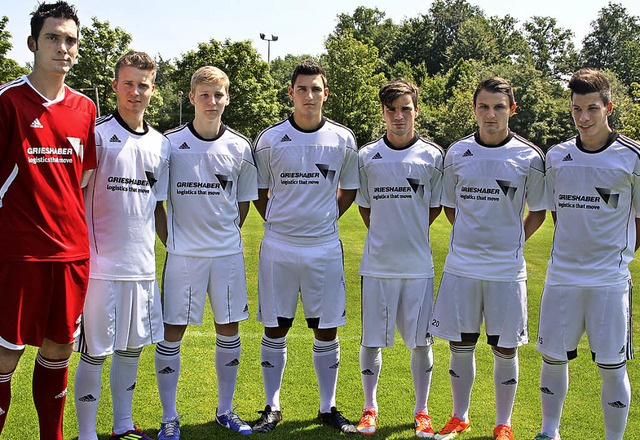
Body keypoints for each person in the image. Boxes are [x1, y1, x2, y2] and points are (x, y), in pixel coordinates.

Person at [430, 77, 546, 440]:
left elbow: (539, 211)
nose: (491, 114)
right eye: (484, 106)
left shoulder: (530, 156)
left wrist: (511, 241)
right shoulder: (457, 153)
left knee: (505, 345)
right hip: (462, 267)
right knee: (460, 343)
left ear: (511, 109)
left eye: (499, 107)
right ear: (474, 110)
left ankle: (503, 423)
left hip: (506, 271)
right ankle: (459, 415)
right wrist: (472, 239)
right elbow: (451, 206)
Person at [0, 2, 97, 438]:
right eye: (53, 38)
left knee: (59, 350)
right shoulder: (7, 101)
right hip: (17, 254)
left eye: (70, 40)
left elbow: (82, 180)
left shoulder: (84, 108)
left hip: (71, 255)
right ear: (33, 44)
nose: (63, 47)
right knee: (5, 356)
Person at [251, 59, 359, 434]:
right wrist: (280, 221)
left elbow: (350, 190)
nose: (309, 95)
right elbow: (259, 193)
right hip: (278, 246)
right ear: (291, 93)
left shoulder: (343, 139)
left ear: (325, 93)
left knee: (326, 328)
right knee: (275, 326)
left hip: (324, 247)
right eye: (302, 89)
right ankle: (271, 406)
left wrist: (324, 216)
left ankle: (328, 407)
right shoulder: (269, 139)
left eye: (316, 89)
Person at [153, 65, 258, 439]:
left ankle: (226, 410)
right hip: (183, 257)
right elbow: (157, 204)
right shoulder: (169, 143)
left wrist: (223, 235)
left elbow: (243, 204)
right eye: (204, 95)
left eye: (218, 95)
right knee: (172, 333)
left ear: (227, 98)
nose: (212, 102)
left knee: (229, 330)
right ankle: (169, 417)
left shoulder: (240, 146)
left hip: (226, 256)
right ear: (192, 97)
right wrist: (174, 243)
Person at [534, 68, 637, 440]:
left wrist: (615, 258)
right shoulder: (557, 156)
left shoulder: (632, 157)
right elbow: (558, 213)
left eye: (592, 108)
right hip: (561, 277)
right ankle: (549, 432)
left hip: (609, 282)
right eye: (577, 109)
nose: (583, 118)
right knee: (553, 358)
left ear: (608, 107)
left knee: (611, 366)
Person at [73, 50, 169, 440]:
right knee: (96, 352)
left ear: (152, 90)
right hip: (100, 267)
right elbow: (74, 196)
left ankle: (123, 426)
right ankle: (86, 434)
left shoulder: (161, 144)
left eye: (143, 84)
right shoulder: (95, 135)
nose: (135, 92)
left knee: (132, 350)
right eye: (128, 83)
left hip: (142, 266)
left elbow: (155, 205)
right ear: (115, 86)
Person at [354, 79, 443, 437]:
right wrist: (386, 235)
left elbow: (435, 207)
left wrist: (409, 233)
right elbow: (364, 207)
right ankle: (369, 408)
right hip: (377, 266)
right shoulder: (366, 156)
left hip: (418, 267)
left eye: (405, 108)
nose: (398, 116)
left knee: (421, 342)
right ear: (383, 113)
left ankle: (422, 411)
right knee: (372, 339)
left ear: (416, 110)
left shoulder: (434, 156)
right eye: (391, 109)